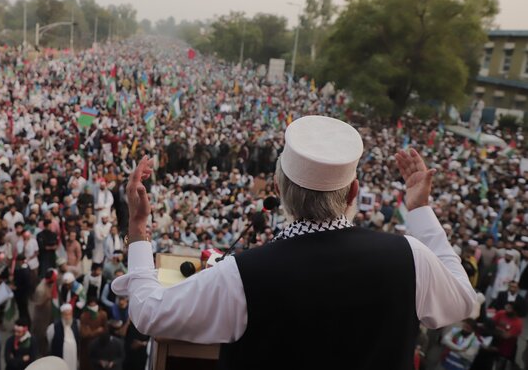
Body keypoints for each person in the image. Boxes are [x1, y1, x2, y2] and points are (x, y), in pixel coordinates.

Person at [113, 117, 476, 370]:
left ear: (277, 189)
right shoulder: (411, 258)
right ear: (353, 191)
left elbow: (148, 313)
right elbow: (463, 300)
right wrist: (420, 211)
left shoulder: (243, 276)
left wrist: (139, 225)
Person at [47, 303, 80, 369]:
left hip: (73, 358)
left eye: (69, 314)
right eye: (65, 314)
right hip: (60, 359)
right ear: (62, 315)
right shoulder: (53, 327)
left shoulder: (77, 324)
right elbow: (50, 342)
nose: (67, 317)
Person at [80, 296, 108, 370]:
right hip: (87, 347)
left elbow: (105, 330)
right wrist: (96, 331)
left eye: (94, 305)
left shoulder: (103, 315)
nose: (93, 307)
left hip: (100, 346)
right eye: (91, 305)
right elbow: (84, 334)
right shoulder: (84, 316)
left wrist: (91, 332)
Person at [492, 303, 523, 370]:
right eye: (507, 306)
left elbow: (505, 336)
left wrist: (496, 328)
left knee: (499, 365)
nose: (506, 309)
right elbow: (491, 324)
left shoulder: (518, 323)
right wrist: (501, 330)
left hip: (505, 349)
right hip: (494, 342)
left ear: (515, 311)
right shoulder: (501, 313)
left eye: (509, 308)